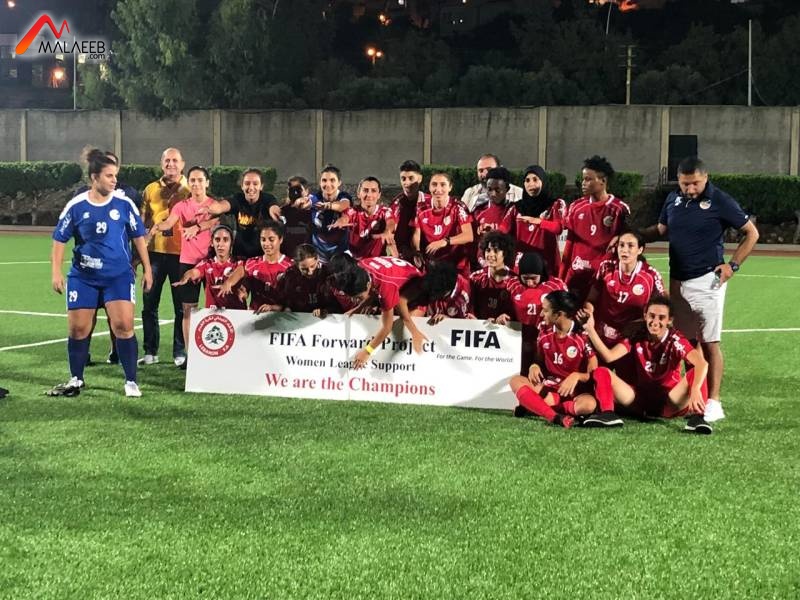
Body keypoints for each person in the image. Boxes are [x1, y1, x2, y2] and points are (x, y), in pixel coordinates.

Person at [643, 156, 759, 423]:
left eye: (695, 183)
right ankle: (695, 398)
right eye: (685, 184)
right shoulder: (672, 199)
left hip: (708, 281)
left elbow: (752, 233)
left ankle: (714, 402)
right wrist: (632, 236)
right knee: (687, 343)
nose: (690, 189)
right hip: (678, 281)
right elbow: (660, 229)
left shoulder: (720, 200)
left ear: (705, 178)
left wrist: (733, 266)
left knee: (709, 343)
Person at [48, 148, 153, 398]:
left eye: (115, 175)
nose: (115, 180)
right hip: (83, 277)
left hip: (118, 276)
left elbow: (139, 238)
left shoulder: (124, 204)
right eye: (109, 176)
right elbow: (59, 239)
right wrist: (56, 272)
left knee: (124, 325)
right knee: (78, 329)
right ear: (95, 178)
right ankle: (76, 378)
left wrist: (147, 269)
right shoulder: (76, 205)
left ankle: (131, 381)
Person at [582, 296, 712, 434]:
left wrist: (695, 389)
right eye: (652, 316)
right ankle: (607, 414)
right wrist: (590, 329)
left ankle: (698, 418)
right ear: (645, 315)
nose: (655, 322)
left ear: (669, 320)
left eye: (661, 318)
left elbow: (702, 363)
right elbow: (609, 356)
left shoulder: (675, 339)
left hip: (670, 401)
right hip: (640, 400)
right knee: (601, 371)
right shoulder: (637, 335)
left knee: (696, 373)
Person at [508, 290, 619, 428]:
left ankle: (536, 408)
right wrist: (534, 366)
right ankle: (554, 416)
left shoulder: (582, 335)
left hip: (576, 394)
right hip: (551, 390)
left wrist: (576, 376)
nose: (541, 314)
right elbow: (539, 359)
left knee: (589, 405)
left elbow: (593, 373)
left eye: (545, 310)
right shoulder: (543, 330)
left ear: (558, 314)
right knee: (515, 381)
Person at [149, 166, 222, 365]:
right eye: (192, 180)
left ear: (207, 183)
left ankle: (216, 353)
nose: (196, 184)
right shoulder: (181, 206)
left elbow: (218, 222)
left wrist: (200, 226)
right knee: (188, 310)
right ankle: (192, 356)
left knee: (215, 308)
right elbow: (169, 223)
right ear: (188, 183)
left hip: (210, 263)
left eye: (200, 180)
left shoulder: (214, 206)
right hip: (187, 263)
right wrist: (157, 227)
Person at [139, 147, 190, 367]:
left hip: (182, 255)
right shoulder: (150, 189)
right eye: (167, 160)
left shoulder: (191, 189)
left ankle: (179, 351)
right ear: (161, 164)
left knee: (181, 306)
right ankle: (150, 351)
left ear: (182, 164)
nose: (171, 164)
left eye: (175, 160)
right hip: (154, 255)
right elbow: (142, 222)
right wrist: (139, 252)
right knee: (149, 303)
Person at [328, 254, 424, 367]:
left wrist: (367, 351)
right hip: (397, 278)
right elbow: (373, 288)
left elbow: (387, 327)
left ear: (368, 284)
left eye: (358, 297)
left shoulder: (385, 287)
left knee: (403, 326)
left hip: (417, 290)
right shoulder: (360, 267)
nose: (355, 301)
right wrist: (358, 308)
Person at [556, 155, 629, 304]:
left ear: (603, 181)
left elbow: (627, 246)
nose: (583, 183)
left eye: (588, 179)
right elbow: (569, 244)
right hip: (576, 276)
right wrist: (561, 278)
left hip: (602, 278)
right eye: (583, 179)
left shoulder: (619, 209)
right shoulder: (576, 207)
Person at [582, 229, 665, 349]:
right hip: (602, 334)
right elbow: (591, 299)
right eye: (621, 245)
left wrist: (638, 324)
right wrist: (589, 313)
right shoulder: (606, 268)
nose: (625, 250)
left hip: (631, 339)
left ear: (640, 250)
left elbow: (661, 310)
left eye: (630, 246)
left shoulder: (651, 275)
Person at [195, 168, 281, 259]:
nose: (251, 187)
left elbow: (273, 207)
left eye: (255, 184)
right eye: (247, 183)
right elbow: (223, 205)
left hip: (262, 256)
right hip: (240, 255)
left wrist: (275, 212)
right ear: (242, 186)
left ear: (261, 186)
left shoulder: (267, 199)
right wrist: (210, 208)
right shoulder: (238, 199)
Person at [507, 252, 568, 374]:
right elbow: (505, 310)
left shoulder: (556, 286)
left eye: (534, 278)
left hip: (547, 345)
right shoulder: (512, 285)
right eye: (525, 278)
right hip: (519, 343)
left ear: (541, 273)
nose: (530, 283)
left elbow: (566, 315)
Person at [502, 165, 566, 275]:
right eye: (527, 180)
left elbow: (559, 227)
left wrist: (539, 221)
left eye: (535, 179)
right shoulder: (515, 208)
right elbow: (503, 230)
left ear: (543, 181)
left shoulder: (555, 204)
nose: (531, 184)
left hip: (546, 265)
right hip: (521, 266)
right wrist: (491, 231)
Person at [172, 224, 247, 311]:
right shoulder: (207, 264)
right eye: (217, 240)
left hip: (237, 314)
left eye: (225, 240)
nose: (220, 244)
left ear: (232, 243)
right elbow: (194, 272)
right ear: (211, 242)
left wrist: (229, 283)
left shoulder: (239, 262)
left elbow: (241, 271)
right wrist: (186, 276)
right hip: (213, 315)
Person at [413, 172, 474, 277]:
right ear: (429, 187)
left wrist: (445, 241)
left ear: (450, 187)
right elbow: (416, 234)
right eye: (434, 184)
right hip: (431, 265)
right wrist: (417, 252)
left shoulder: (458, 207)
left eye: (443, 185)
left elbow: (469, 236)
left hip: (456, 265)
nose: (438, 189)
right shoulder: (420, 208)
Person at [224, 221, 293, 313]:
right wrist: (243, 291)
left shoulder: (290, 266)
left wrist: (274, 307)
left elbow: (293, 300)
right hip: (255, 316)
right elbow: (243, 278)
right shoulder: (252, 263)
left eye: (271, 239)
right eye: (263, 239)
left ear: (280, 240)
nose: (266, 244)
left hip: (281, 318)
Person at [332, 177, 396, 259]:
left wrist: (387, 231)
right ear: (359, 193)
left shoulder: (385, 211)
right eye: (365, 190)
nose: (369, 195)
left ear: (379, 195)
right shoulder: (352, 211)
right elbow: (345, 217)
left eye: (373, 191)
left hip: (377, 261)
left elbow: (390, 222)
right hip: (355, 261)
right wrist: (341, 221)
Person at [469, 231, 517, 322]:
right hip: (479, 328)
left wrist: (507, 318)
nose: (491, 255)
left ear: (505, 253)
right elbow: (469, 308)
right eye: (488, 250)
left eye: (496, 251)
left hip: (505, 329)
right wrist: (477, 321)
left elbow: (518, 315)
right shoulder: (475, 278)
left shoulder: (515, 282)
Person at [471, 167, 514, 268]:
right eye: (489, 189)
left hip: (509, 267)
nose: (493, 194)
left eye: (498, 190)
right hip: (483, 267)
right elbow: (474, 244)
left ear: (507, 189)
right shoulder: (478, 212)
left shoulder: (514, 211)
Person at [276, 244, 335, 316]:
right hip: (298, 317)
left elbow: (337, 304)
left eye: (312, 266)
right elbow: (285, 300)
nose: (310, 272)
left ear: (317, 259)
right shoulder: (290, 275)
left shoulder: (328, 274)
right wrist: (286, 308)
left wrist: (326, 311)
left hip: (325, 318)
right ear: (296, 265)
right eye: (304, 269)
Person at [308, 165, 352, 262]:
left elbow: (343, 205)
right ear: (320, 182)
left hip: (339, 253)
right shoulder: (315, 197)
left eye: (332, 180)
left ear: (339, 183)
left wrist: (327, 206)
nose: (328, 184)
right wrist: (301, 202)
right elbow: (308, 202)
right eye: (324, 180)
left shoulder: (343, 196)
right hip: (318, 253)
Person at [390, 160, 429, 261]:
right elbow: (391, 234)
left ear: (419, 179)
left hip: (426, 257)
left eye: (411, 178)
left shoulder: (430, 203)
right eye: (403, 179)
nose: (406, 183)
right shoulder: (395, 204)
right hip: (401, 258)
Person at [278, 176, 312, 258]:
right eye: (291, 189)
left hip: (306, 257)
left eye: (297, 189)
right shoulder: (282, 211)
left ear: (306, 191)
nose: (295, 192)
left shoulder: (313, 211)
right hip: (286, 257)